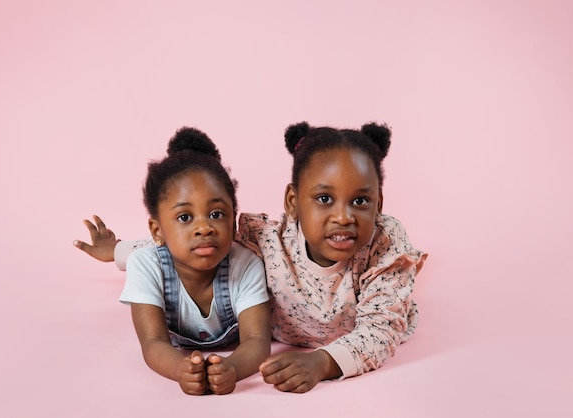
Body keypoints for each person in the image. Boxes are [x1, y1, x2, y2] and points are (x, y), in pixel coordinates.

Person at [74, 121, 427, 394]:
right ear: (293, 201)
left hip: (350, 337)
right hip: (280, 331)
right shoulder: (268, 241)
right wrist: (118, 250)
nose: (344, 217)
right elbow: (178, 248)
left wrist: (322, 364)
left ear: (379, 203)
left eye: (361, 201)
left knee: (395, 288)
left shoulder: (383, 247)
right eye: (324, 199)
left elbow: (381, 329)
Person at [75, 127, 272, 396]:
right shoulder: (146, 265)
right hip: (154, 253)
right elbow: (153, 342)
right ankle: (116, 250)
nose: (204, 227)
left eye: (216, 214)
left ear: (233, 220)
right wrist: (180, 369)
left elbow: (257, 340)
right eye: (184, 217)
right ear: (157, 230)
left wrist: (233, 367)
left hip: (181, 249)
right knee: (136, 254)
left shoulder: (246, 263)